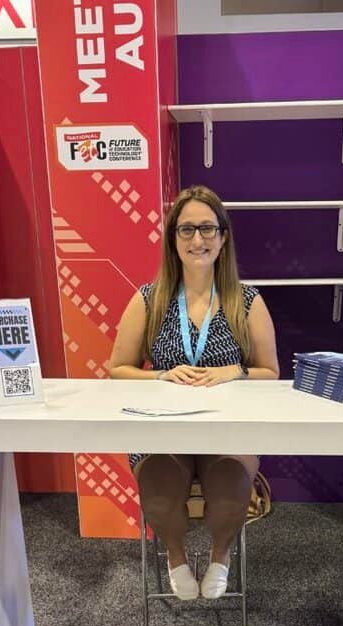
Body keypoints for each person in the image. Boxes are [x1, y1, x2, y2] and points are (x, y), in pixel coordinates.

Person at [110, 185, 279, 601]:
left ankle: (221, 556)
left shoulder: (247, 300)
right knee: (162, 496)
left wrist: (235, 372)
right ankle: (175, 556)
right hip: (163, 428)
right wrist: (160, 377)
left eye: (207, 228)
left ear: (223, 237)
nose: (197, 240)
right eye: (186, 230)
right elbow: (117, 369)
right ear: (173, 239)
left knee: (228, 495)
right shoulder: (149, 299)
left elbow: (271, 372)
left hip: (229, 429)